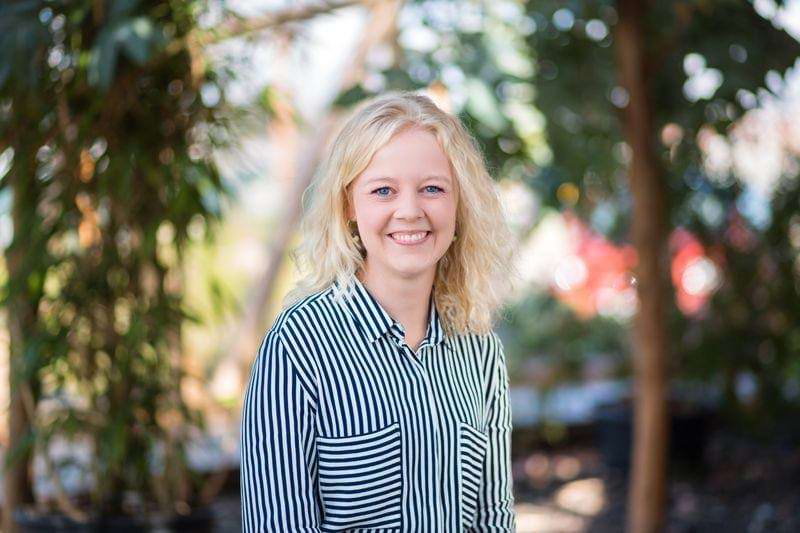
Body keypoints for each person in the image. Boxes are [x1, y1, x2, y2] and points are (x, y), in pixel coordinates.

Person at [240, 91, 518, 532]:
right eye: (383, 190)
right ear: (349, 205)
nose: (409, 211)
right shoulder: (298, 347)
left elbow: (493, 519)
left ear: (459, 203)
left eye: (432, 188)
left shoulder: (480, 351)